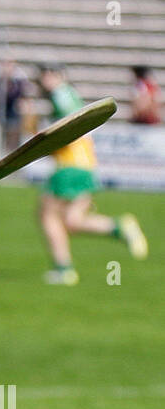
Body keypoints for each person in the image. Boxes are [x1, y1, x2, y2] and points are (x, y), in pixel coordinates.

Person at [33, 63, 147, 285]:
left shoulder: (61, 94)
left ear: (59, 76)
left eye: (49, 74)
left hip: (69, 166)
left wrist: (45, 139)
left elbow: (69, 122)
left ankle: (64, 269)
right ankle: (119, 226)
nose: (45, 80)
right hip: (85, 165)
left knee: (48, 216)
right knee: (72, 222)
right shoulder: (66, 94)